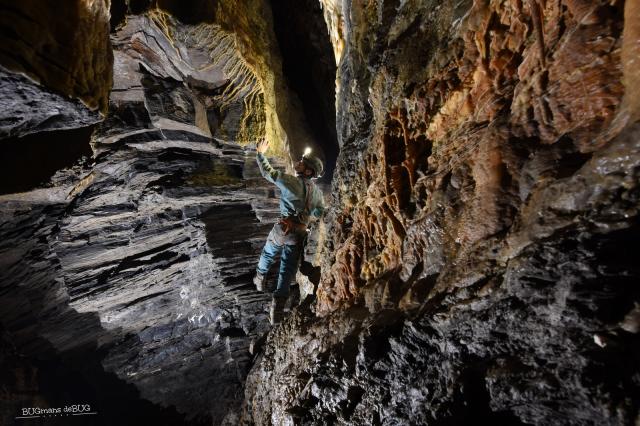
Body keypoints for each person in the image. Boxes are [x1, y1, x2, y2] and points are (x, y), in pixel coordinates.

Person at [253, 138, 325, 325]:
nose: (298, 163)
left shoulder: (291, 182)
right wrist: (307, 211)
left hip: (282, 229)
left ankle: (260, 278)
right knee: (286, 271)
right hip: (298, 234)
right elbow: (319, 212)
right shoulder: (318, 194)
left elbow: (268, 173)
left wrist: (260, 153)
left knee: (268, 253)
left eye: (302, 163)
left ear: (308, 171)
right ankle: (277, 310)